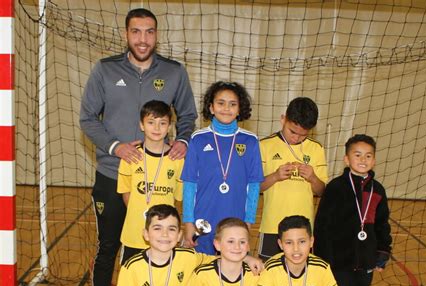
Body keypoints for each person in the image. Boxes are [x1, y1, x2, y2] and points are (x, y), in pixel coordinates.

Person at [80, 7, 197, 286]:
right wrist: (115, 146)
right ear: (126, 34)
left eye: (149, 32)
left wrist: (184, 141)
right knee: (109, 247)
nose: (142, 39)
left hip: (158, 181)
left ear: (156, 35)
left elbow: (187, 116)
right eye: (136, 32)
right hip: (112, 173)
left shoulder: (174, 72)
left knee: (160, 249)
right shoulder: (105, 70)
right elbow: (88, 118)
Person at [313, 134, 392, 286]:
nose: (363, 160)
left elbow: (382, 224)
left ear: (374, 160)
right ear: (347, 159)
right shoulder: (336, 188)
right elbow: (322, 225)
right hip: (338, 260)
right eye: (357, 155)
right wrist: (322, 259)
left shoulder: (378, 190)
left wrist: (382, 253)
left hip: (365, 259)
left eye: (368, 156)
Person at [181, 81, 264, 254]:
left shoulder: (250, 141)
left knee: (232, 272)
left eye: (233, 104)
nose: (226, 108)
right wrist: (188, 222)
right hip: (203, 220)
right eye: (220, 103)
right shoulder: (198, 139)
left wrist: (248, 222)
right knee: (201, 272)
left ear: (240, 109)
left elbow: (254, 185)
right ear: (211, 107)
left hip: (236, 220)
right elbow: (189, 184)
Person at [258, 97, 328, 260]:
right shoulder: (264, 145)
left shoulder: (316, 149)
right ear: (283, 119)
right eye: (292, 132)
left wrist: (313, 178)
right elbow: (255, 187)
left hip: (303, 228)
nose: (296, 138)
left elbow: (323, 191)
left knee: (299, 278)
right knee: (267, 274)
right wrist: (275, 176)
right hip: (272, 227)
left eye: (303, 135)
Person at [117, 100, 183, 263]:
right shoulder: (130, 157)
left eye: (162, 123)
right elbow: (127, 195)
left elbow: (178, 200)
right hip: (134, 233)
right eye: (151, 122)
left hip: (164, 238)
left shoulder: (177, 160)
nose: (157, 128)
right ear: (141, 125)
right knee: (131, 283)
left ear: (169, 127)